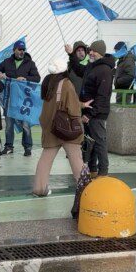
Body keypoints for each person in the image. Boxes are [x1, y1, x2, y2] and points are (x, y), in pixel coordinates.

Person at [32, 58, 90, 197]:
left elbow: (53, 105)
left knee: (45, 160)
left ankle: (40, 189)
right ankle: (86, 191)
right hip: (67, 129)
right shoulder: (66, 84)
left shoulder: (47, 83)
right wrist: (81, 115)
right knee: (76, 160)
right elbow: (72, 107)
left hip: (50, 128)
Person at [67, 40, 115, 176]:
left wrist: (90, 114)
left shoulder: (104, 70)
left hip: (96, 114)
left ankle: (103, 172)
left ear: (101, 52)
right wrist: (71, 55)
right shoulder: (91, 66)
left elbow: (103, 96)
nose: (91, 53)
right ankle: (92, 170)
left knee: (99, 142)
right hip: (88, 111)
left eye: (94, 51)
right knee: (90, 142)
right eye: (90, 51)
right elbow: (78, 69)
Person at [0, 39, 40, 156]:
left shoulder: (30, 63)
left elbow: (37, 78)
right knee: (9, 124)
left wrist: (25, 79)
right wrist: (0, 74)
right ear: (14, 50)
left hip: (24, 100)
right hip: (9, 99)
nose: (22, 51)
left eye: (23, 49)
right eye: (19, 49)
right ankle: (9, 147)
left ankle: (28, 147)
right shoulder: (7, 62)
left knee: (26, 124)